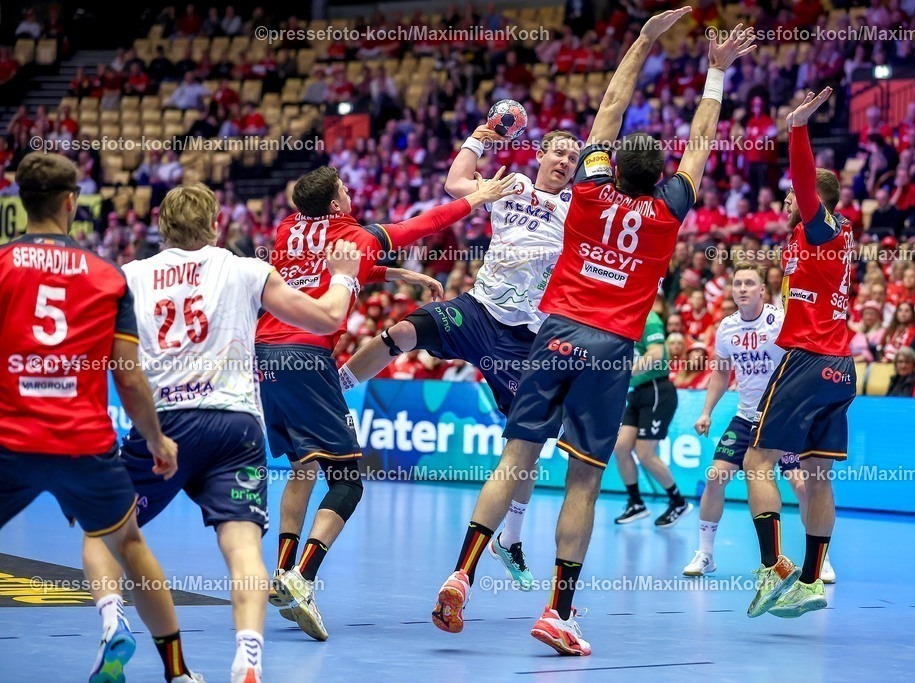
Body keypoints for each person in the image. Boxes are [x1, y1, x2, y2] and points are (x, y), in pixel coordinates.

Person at [430, 12, 755, 655]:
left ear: (603, 165)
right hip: (609, 350)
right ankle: (558, 611)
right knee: (582, 480)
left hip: (553, 333)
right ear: (659, 176)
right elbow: (699, 142)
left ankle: (462, 571)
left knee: (514, 459)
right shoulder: (668, 210)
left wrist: (642, 41)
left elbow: (611, 104)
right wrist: (716, 70)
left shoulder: (585, 191)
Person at [80, 184, 364, 683]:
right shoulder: (245, 269)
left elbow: (99, 353)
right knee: (242, 548)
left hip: (163, 422)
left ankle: (111, 623)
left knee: (106, 532)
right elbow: (326, 317)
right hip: (234, 425)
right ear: (216, 225)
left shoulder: (129, 277)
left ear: (161, 227)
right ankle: (247, 660)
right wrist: (344, 276)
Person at [257, 165, 515, 641]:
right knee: (348, 482)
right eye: (344, 190)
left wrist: (399, 274)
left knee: (302, 467)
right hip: (307, 357)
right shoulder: (354, 234)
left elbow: (337, 267)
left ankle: (283, 571)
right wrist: (479, 197)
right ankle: (303, 577)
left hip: (265, 358)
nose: (351, 191)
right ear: (335, 204)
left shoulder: (287, 229)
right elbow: (423, 224)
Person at [340, 125, 581, 588]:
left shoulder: (575, 209)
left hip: (524, 339)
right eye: (559, 153)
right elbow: (455, 184)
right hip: (478, 309)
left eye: (573, 158)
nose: (565, 162)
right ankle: (338, 390)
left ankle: (509, 540)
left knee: (526, 448)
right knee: (405, 330)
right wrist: (481, 135)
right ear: (541, 155)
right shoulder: (513, 186)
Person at [0, 153, 203, 683]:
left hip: (9, 442)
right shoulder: (108, 277)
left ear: (21, 203)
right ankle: (178, 673)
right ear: (72, 203)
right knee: (129, 545)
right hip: (83, 446)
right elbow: (129, 378)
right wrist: (158, 441)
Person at [744, 86, 856, 619]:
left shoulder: (821, 226)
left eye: (793, 193)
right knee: (816, 475)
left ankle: (771, 568)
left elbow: (807, 185)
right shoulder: (816, 237)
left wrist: (797, 128)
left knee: (756, 460)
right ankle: (812, 580)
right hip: (838, 364)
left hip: (809, 358)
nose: (787, 198)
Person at [686, 263, 834, 583]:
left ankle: (819, 559)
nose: (742, 289)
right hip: (746, 416)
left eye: (749, 283)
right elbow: (722, 373)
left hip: (784, 417)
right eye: (737, 283)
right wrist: (706, 411)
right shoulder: (726, 328)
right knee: (715, 476)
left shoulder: (779, 321)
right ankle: (706, 553)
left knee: (801, 484)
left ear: (762, 290)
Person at [611, 297, 692, 527]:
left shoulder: (650, 318)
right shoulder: (628, 318)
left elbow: (656, 354)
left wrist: (628, 373)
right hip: (637, 391)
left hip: (657, 389)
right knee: (621, 447)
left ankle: (678, 502)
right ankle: (636, 503)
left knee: (645, 452)